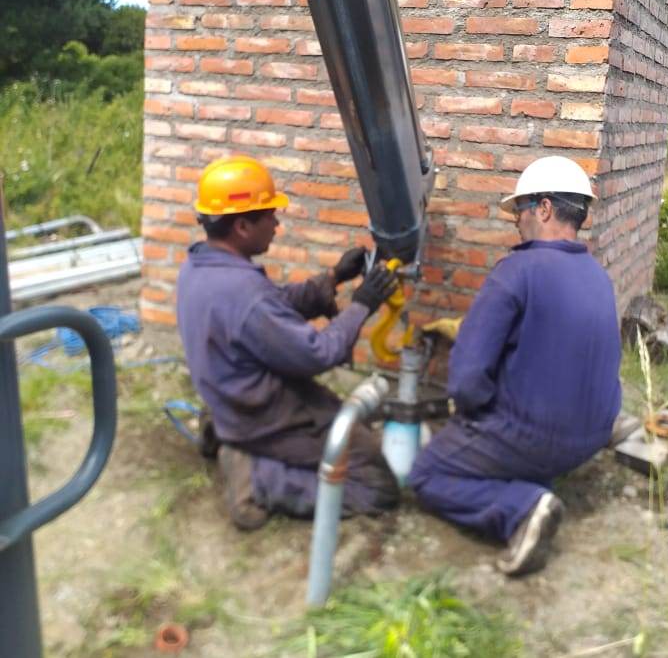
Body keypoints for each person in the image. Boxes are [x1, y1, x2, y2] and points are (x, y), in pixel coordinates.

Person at [408, 155, 622, 577]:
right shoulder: (598, 275)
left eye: (519, 211)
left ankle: (521, 509)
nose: (516, 223)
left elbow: (467, 381)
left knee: (427, 473)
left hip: (535, 440)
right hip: (595, 435)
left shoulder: (517, 270)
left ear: (543, 209)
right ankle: (533, 481)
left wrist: (469, 420)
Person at [176, 154, 400, 529]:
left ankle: (227, 435)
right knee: (376, 486)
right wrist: (363, 304)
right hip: (263, 417)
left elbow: (272, 307)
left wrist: (333, 278)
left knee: (354, 434)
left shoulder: (201, 266)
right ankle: (258, 479)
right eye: (270, 216)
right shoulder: (243, 292)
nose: (277, 225)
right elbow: (320, 352)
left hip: (236, 398)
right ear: (244, 226)